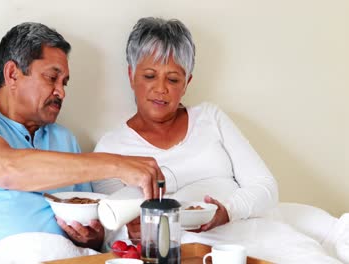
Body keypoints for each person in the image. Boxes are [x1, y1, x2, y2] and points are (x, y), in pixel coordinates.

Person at [0, 22, 165, 264]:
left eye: (64, 82)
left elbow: (91, 225)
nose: (61, 92)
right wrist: (118, 165)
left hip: (66, 257)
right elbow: (7, 170)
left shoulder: (63, 138)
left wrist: (91, 237)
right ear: (12, 74)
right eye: (52, 78)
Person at [92, 17, 279, 238]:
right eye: (150, 76)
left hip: (242, 238)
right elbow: (112, 230)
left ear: (187, 83)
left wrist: (227, 211)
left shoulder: (211, 118)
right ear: (132, 75)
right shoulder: (110, 147)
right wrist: (133, 232)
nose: (161, 89)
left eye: (172, 80)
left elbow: (266, 187)